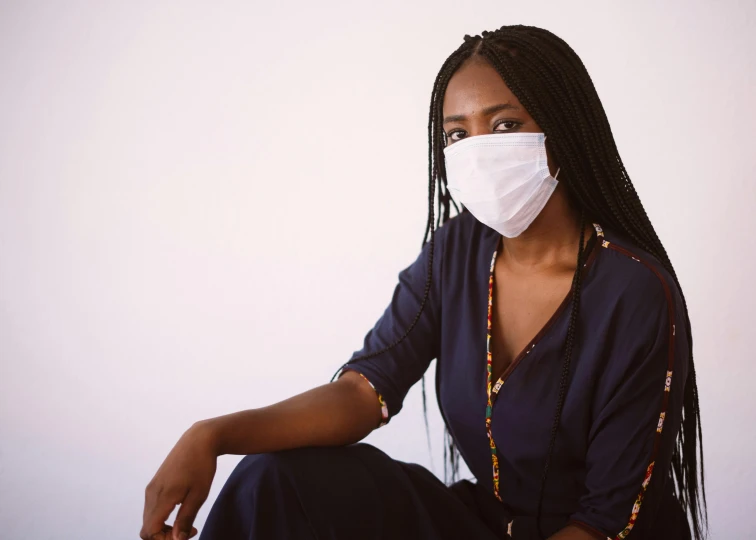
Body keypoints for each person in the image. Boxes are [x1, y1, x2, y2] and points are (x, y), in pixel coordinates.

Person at [140, 25, 707, 540]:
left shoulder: (635, 292)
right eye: (457, 135)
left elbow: (607, 521)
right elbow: (364, 391)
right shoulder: (456, 250)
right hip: (487, 523)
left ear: (563, 131)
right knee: (274, 480)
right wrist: (213, 435)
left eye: (505, 125)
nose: (479, 151)